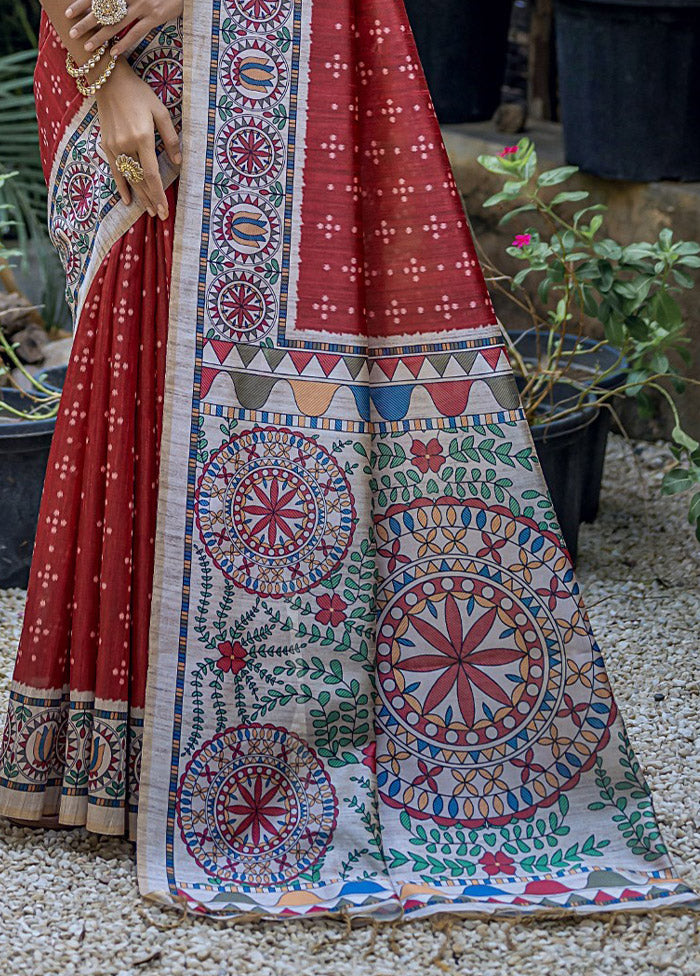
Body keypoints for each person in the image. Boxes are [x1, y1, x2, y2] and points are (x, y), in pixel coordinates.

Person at [0, 0, 695, 921]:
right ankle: (124, 757)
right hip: (121, 45)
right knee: (146, 341)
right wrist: (106, 75)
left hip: (285, 38)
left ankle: (250, 756)